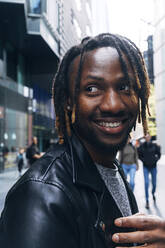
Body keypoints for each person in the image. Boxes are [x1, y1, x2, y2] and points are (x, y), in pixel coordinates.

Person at [0, 33, 165, 248]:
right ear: (69, 101)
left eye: (124, 87)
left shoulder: (111, 168)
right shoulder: (41, 194)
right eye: (92, 89)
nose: (112, 105)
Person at [138, 133, 161, 209]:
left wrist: (156, 160)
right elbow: (139, 155)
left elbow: (159, 154)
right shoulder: (142, 146)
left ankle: (153, 193)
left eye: (148, 136)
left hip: (153, 167)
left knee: (154, 183)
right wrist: (144, 161)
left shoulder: (155, 145)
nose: (147, 137)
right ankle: (147, 201)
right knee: (146, 183)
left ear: (150, 137)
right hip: (146, 167)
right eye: (146, 136)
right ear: (145, 137)